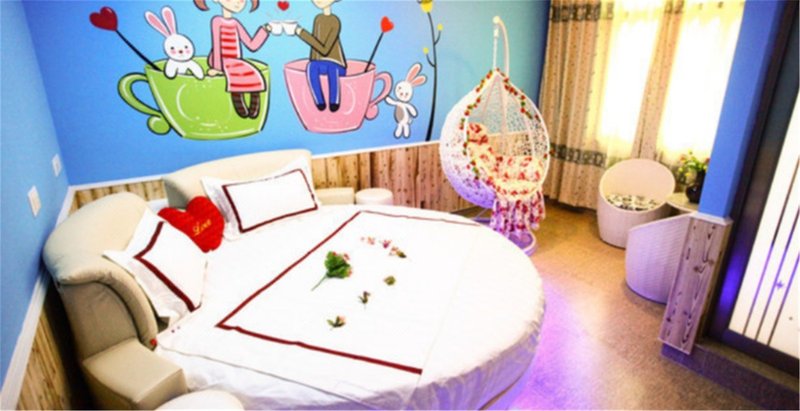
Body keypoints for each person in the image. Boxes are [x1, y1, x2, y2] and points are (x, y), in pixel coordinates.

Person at [194, 0, 273, 118]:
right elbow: (216, 45)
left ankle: (254, 105)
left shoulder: (235, 23)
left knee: (255, 75)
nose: (237, 3)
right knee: (235, 80)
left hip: (235, 62)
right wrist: (217, 68)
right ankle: (240, 105)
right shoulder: (216, 21)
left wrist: (265, 30)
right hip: (221, 61)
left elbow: (252, 45)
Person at [294, 0, 347, 112]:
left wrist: (301, 33)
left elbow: (325, 50)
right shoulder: (318, 19)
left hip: (336, 63)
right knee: (311, 67)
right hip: (319, 62)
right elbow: (315, 45)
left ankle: (334, 101)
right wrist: (313, 59)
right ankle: (319, 101)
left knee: (332, 69)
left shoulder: (335, 21)